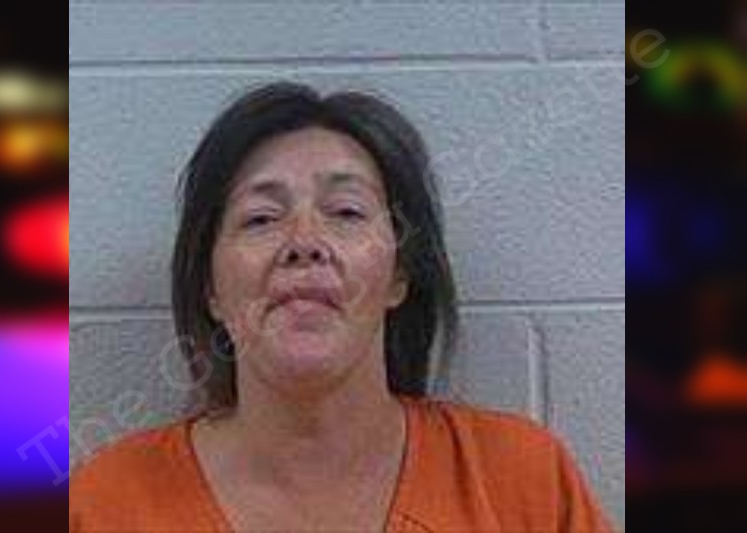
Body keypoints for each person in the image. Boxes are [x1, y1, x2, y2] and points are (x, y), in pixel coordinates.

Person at [70, 81, 614, 532]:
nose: (305, 242)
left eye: (347, 212)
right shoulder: (103, 505)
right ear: (210, 288)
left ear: (399, 275)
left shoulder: (524, 480)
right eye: (261, 218)